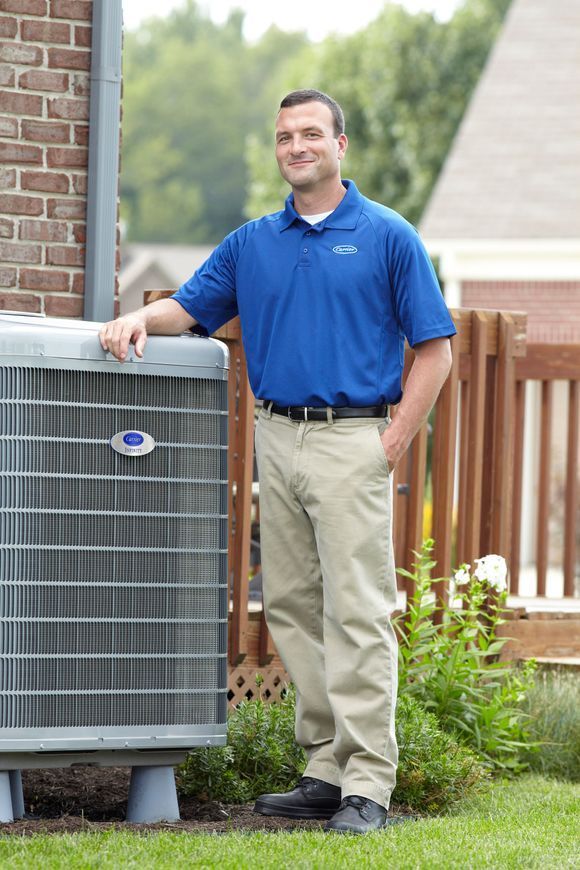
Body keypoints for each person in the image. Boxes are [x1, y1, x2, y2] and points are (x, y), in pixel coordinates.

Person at [100, 88, 455, 833]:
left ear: (340, 146)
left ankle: (368, 783)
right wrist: (138, 314)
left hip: (351, 438)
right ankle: (324, 768)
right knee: (293, 607)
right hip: (277, 438)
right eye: (284, 136)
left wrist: (391, 443)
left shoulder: (389, 236)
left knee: (357, 613)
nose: (296, 146)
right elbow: (191, 307)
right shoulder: (253, 241)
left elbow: (435, 351)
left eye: (310, 134)